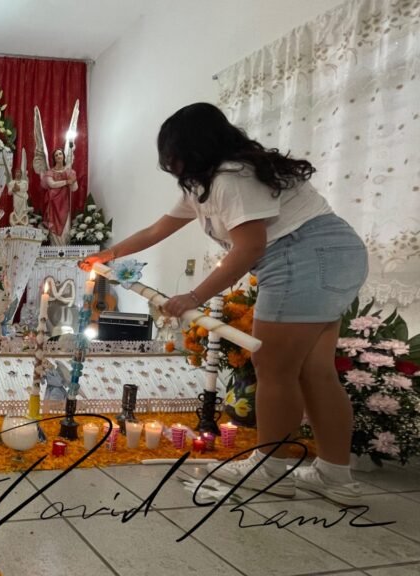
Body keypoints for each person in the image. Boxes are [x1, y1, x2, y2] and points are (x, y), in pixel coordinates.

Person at [80, 102, 368, 506]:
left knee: (275, 369)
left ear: (192, 149)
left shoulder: (231, 178)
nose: (170, 164)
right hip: (336, 254)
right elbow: (157, 229)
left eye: (172, 154)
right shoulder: (208, 183)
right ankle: (335, 475)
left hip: (302, 256)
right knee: (315, 372)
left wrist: (193, 297)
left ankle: (268, 468)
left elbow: (250, 246)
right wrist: (107, 256)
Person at [40, 148, 79, 246]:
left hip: (64, 203)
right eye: (56, 155)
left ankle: (64, 249)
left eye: (60, 154)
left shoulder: (69, 171)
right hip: (53, 203)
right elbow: (52, 184)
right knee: (54, 228)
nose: (58, 156)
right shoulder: (50, 172)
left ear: (63, 156)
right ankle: (55, 250)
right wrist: (66, 181)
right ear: (54, 158)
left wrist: (72, 179)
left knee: (65, 228)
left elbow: (74, 188)